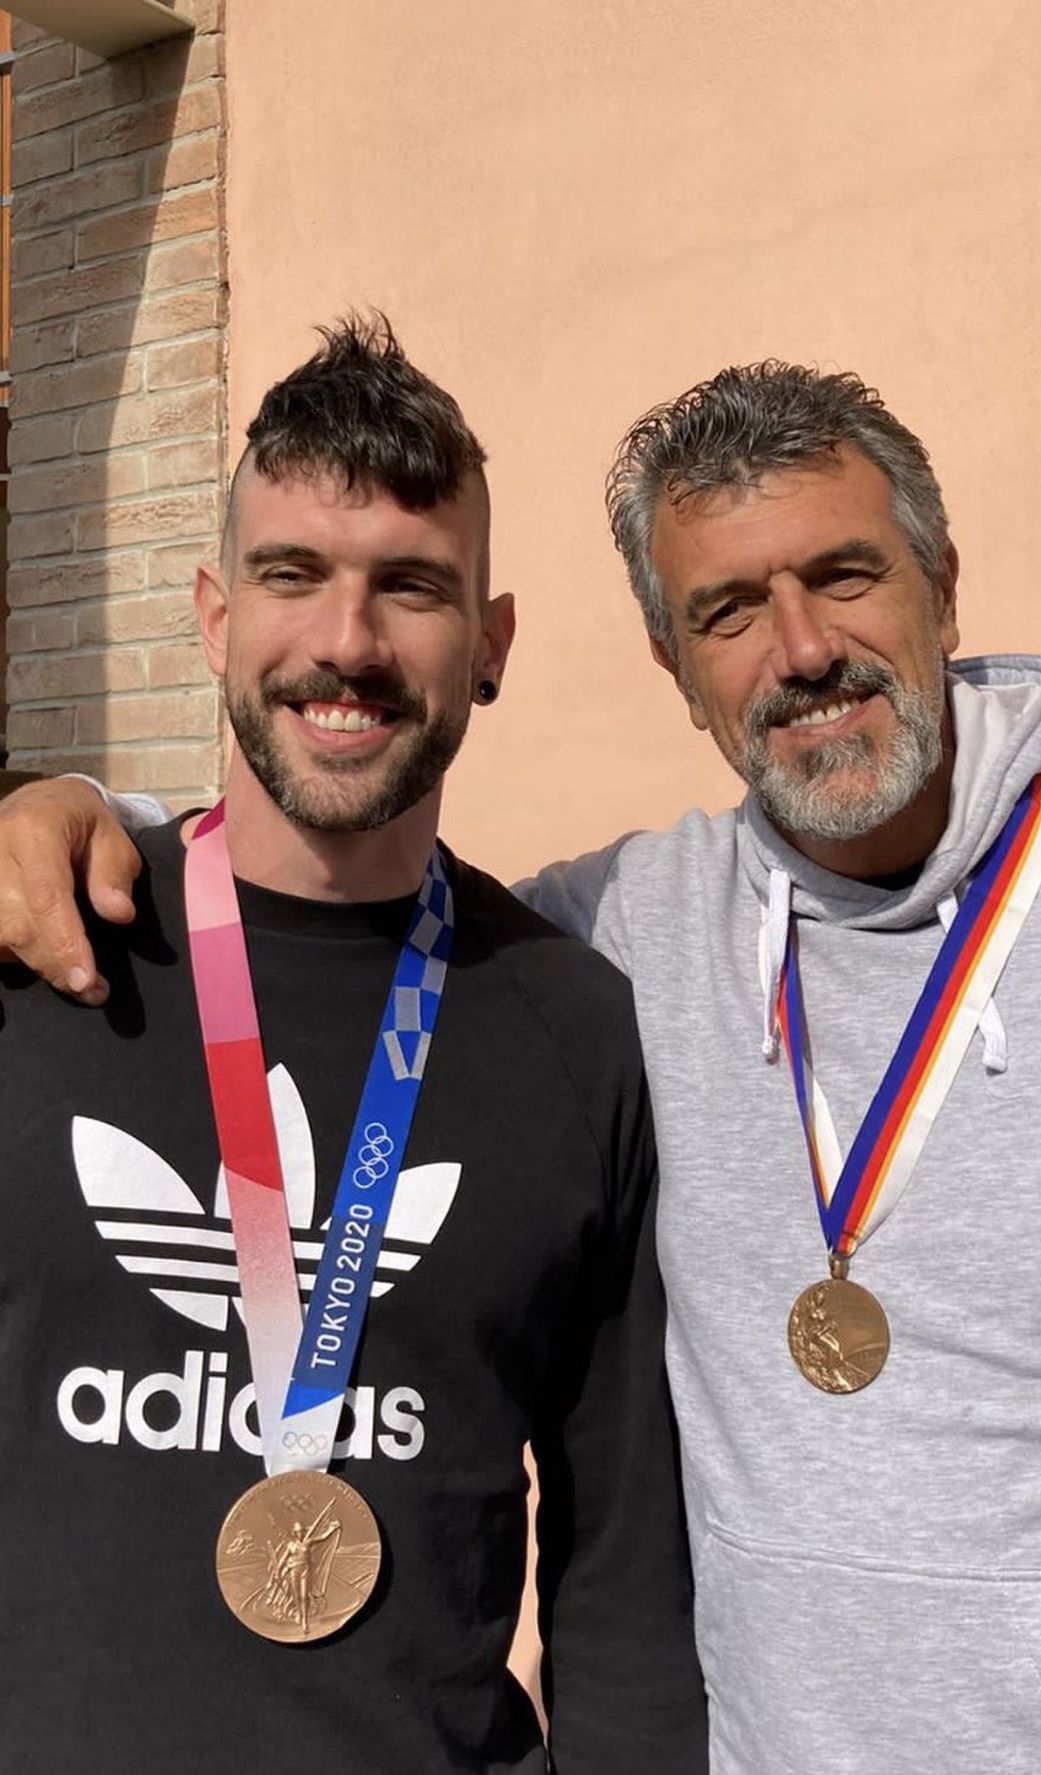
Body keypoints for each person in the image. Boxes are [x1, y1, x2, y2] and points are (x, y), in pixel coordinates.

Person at [2, 359, 1041, 1775]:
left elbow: (618, 1551)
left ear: (942, 589)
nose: (802, 648)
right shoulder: (618, 933)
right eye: (728, 611)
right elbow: (293, 871)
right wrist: (70, 809)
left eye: (844, 575)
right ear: (676, 668)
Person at [0, 317, 708, 1775]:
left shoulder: (579, 1032)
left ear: (490, 643)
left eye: (410, 586)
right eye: (292, 575)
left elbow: (625, 1574)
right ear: (215, 618)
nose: (346, 642)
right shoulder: (43, 950)